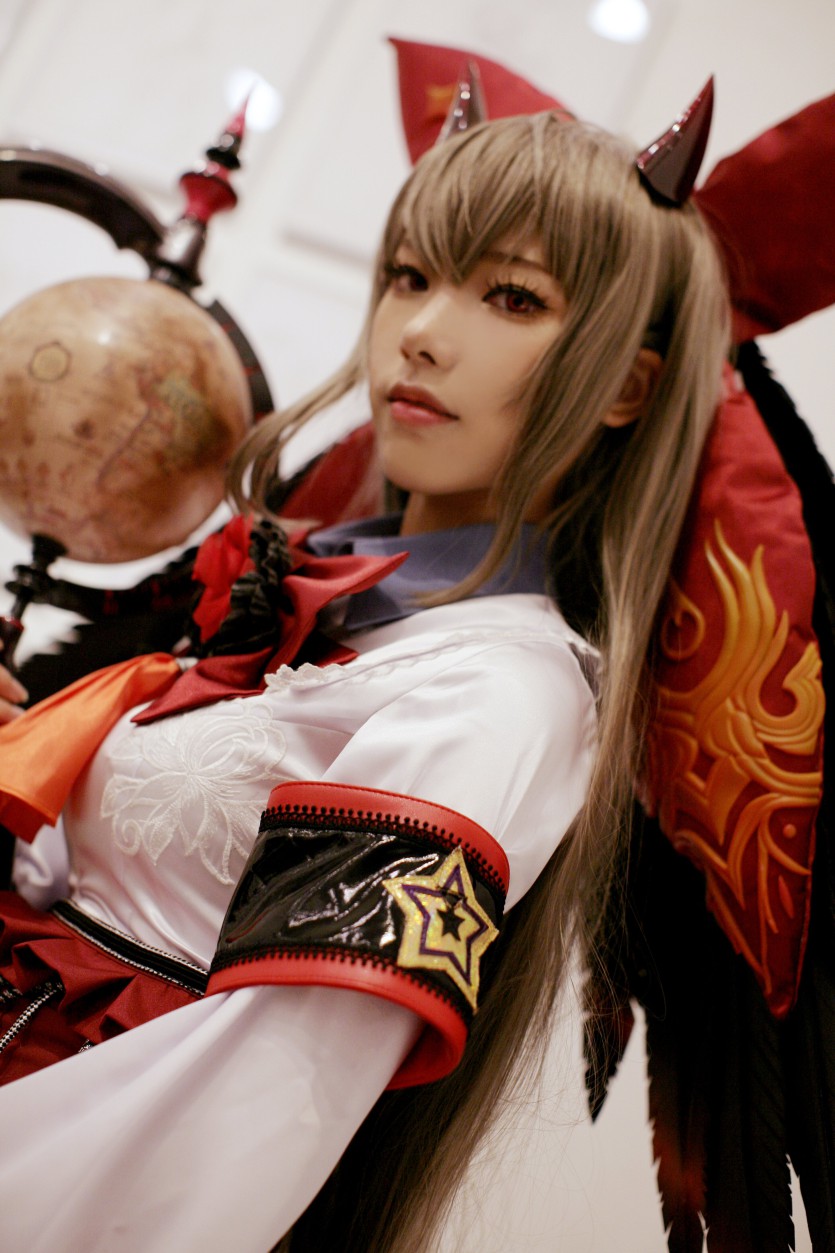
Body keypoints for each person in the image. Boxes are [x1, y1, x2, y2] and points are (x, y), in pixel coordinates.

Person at [0, 105, 729, 1252]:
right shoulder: (317, 595)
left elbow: (255, 1104)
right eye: (409, 276)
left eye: (512, 298)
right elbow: (88, 890)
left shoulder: (498, 694)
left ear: (624, 389)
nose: (421, 334)